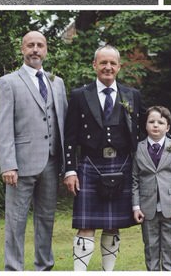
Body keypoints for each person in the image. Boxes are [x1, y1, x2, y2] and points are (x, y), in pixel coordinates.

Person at [63, 45, 143, 271]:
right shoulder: (80, 95)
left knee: (112, 224)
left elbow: (150, 126)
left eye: (112, 63)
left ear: (119, 67)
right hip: (90, 164)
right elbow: (69, 136)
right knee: (86, 224)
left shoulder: (132, 95)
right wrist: (70, 170)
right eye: (103, 63)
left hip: (122, 164)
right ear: (94, 65)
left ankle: (108, 272)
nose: (108, 67)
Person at [0, 31, 68, 271]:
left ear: (46, 50)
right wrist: (8, 164)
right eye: (30, 45)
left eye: (40, 45)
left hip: (51, 161)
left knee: (46, 219)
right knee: (15, 221)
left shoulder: (57, 82)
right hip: (21, 164)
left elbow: (64, 123)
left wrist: (68, 164)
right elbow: (3, 127)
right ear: (22, 49)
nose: (35, 49)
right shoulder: (8, 82)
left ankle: (44, 266)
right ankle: (14, 268)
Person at [132, 106, 171, 271]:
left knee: (170, 249)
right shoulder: (138, 149)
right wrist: (136, 207)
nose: (156, 125)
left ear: (168, 127)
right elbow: (134, 180)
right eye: (151, 122)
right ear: (145, 125)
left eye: (160, 122)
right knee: (150, 248)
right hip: (147, 208)